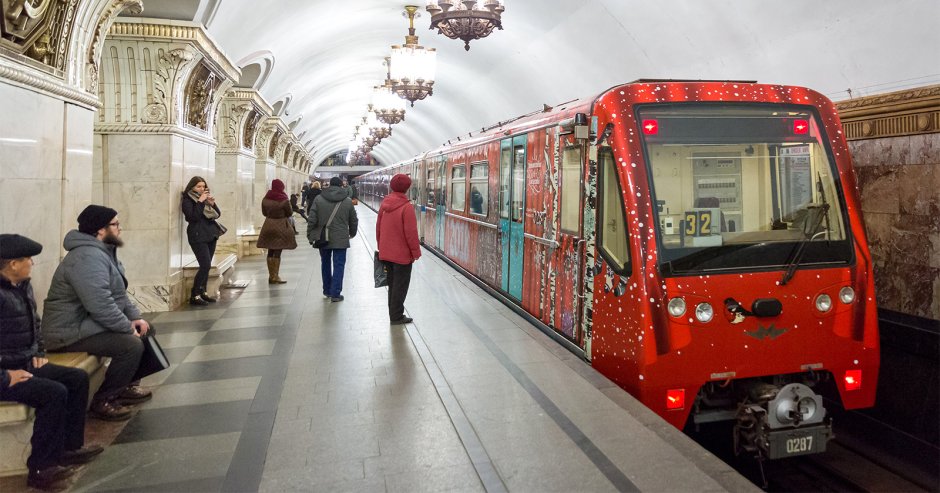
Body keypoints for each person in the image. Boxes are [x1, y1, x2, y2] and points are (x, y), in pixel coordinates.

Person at [1, 234, 105, 489]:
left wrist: (37, 353)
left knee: (77, 378)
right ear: (13, 264)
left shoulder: (21, 286)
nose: (32, 264)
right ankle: (41, 467)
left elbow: (35, 325)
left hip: (24, 362)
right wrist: (6, 376)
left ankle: (69, 448)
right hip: (6, 372)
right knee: (53, 393)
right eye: (28, 260)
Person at [41, 205, 151, 421]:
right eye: (115, 224)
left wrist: (136, 318)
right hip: (67, 332)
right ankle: (104, 400)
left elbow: (118, 295)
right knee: (130, 345)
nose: (120, 228)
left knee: (145, 328)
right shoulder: (87, 258)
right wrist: (126, 327)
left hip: (85, 325)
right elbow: (100, 304)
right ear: (101, 229)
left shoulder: (103, 252)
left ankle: (126, 385)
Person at [376, 174, 421, 324]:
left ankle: (394, 314)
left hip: (386, 253)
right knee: (400, 287)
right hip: (402, 255)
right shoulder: (406, 207)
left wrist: (381, 246)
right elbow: (411, 233)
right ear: (407, 188)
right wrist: (415, 252)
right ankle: (396, 316)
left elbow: (378, 228)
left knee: (392, 284)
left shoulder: (384, 204)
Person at [308, 176, 358, 302]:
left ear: (329, 185)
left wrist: (310, 235)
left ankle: (327, 290)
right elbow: (353, 220)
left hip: (323, 237)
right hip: (341, 238)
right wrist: (352, 233)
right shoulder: (347, 201)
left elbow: (312, 219)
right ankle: (336, 293)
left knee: (325, 263)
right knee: (339, 265)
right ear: (342, 186)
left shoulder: (319, 199)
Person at [180, 176, 222, 306]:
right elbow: (193, 217)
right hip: (197, 235)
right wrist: (200, 202)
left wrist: (212, 204)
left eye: (203, 186)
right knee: (205, 265)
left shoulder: (203, 200)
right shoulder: (187, 200)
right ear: (192, 187)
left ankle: (202, 292)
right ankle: (195, 294)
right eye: (198, 186)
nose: (202, 189)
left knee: (207, 264)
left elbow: (217, 214)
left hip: (210, 234)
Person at [257, 179, 297, 284]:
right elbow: (289, 213)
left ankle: (271, 276)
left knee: (270, 250)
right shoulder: (284, 199)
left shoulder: (265, 199)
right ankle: (275, 276)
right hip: (280, 226)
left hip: (268, 225)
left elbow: (264, 212)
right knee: (278, 251)